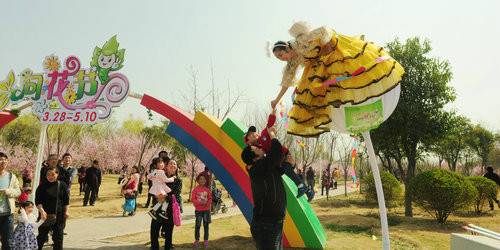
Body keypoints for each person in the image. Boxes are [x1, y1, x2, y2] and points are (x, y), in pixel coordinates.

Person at [270, 21, 405, 137]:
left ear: (287, 48)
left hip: (334, 51)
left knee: (351, 71)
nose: (282, 58)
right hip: (320, 66)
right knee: (311, 93)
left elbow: (323, 30)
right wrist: (276, 100)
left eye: (281, 55)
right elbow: (286, 82)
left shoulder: (300, 41)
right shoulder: (291, 63)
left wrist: (327, 44)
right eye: (278, 58)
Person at [241, 132, 288, 250]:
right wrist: (272, 135)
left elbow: (279, 165)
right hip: (267, 224)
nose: (259, 147)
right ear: (255, 157)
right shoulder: (259, 168)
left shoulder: (263, 167)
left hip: (272, 223)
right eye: (256, 148)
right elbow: (277, 153)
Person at [244, 112, 307, 198]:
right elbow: (250, 165)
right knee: (285, 169)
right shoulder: (253, 151)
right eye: (250, 135)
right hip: (277, 161)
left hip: (282, 153)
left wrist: (273, 110)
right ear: (247, 142)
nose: (254, 134)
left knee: (286, 168)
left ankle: (301, 186)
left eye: (253, 132)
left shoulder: (263, 135)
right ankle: (305, 188)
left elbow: (269, 124)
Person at [36, 167, 70, 250]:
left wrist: (67, 211)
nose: (50, 176)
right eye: (48, 174)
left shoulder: (62, 185)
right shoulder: (42, 186)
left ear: (57, 174)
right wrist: (42, 211)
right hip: (45, 215)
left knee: (58, 238)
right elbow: (38, 201)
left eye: (53, 174)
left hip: (59, 215)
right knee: (41, 237)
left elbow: (66, 200)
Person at [0, 152, 21, 250]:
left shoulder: (11, 176)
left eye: (5, 159)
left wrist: (8, 191)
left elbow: (18, 192)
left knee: (8, 242)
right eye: (0, 159)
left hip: (8, 214)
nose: (3, 161)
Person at [191, 174, 212, 248]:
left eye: (203, 179)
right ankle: (197, 240)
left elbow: (210, 198)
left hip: (206, 210)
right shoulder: (195, 190)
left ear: (205, 181)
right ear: (198, 180)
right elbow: (193, 199)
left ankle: (206, 240)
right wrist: (200, 203)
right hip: (198, 211)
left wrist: (207, 204)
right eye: (200, 179)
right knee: (198, 225)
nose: (202, 180)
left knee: (206, 226)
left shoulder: (207, 190)